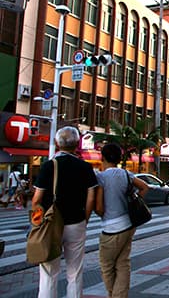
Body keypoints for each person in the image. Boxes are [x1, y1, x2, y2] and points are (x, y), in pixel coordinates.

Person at [31, 126, 98, 298]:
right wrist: (85, 218)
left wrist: (37, 222)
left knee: (48, 272)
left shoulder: (48, 166)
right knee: (75, 271)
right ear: (77, 144)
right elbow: (91, 197)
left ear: (57, 143)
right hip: (76, 221)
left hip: (51, 223)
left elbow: (36, 200)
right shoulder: (85, 167)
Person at [95, 143, 149, 298]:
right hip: (128, 224)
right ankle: (120, 295)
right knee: (123, 263)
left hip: (111, 228)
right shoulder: (126, 174)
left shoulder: (101, 177)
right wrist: (134, 203)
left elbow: (99, 208)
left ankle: (115, 295)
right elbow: (145, 187)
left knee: (107, 265)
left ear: (103, 157)